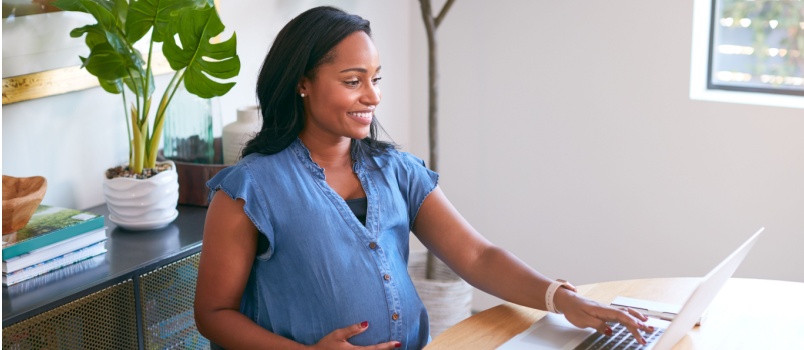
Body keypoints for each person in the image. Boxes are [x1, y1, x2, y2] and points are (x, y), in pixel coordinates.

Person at [194, 6, 653, 350]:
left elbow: (476, 256)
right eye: (353, 81)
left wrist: (558, 297)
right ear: (302, 82)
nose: (372, 95)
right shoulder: (248, 189)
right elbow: (213, 314)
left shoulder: (396, 170)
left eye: (376, 78)